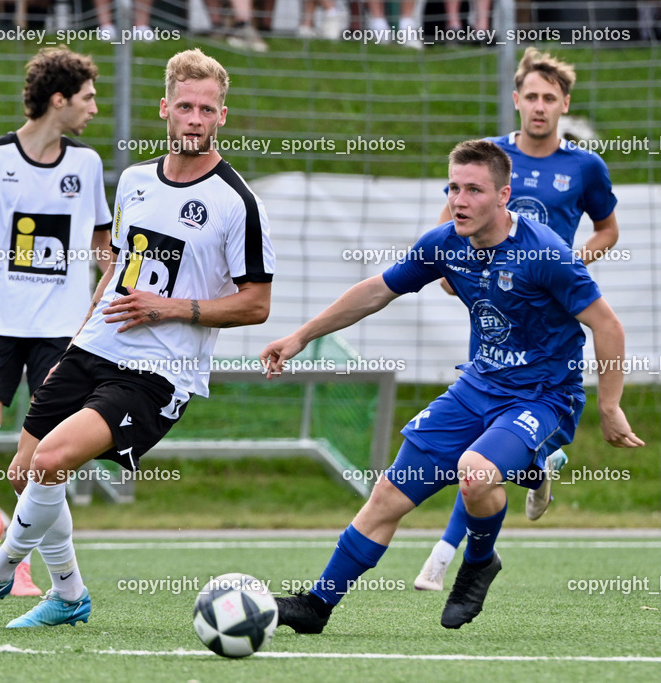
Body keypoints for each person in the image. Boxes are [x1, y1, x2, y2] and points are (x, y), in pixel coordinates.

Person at [0, 47, 275, 627]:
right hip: (94, 346)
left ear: (222, 117)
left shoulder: (237, 203)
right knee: (25, 470)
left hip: (158, 372)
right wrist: (83, 332)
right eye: (185, 106)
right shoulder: (136, 181)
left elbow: (256, 304)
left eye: (207, 109)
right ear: (165, 108)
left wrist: (172, 308)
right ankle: (68, 595)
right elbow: (116, 271)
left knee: (53, 460)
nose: (194, 118)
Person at [262, 139, 642, 634]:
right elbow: (376, 291)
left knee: (475, 471)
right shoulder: (445, 243)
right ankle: (317, 606)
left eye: (474, 190)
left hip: (543, 396)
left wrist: (610, 406)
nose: (459, 200)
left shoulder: (546, 253)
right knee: (387, 498)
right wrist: (298, 337)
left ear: (504, 196)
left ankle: (479, 560)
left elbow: (608, 326)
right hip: (476, 387)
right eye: (454, 188)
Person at [415, 47, 622, 591]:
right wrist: (446, 259)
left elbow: (607, 229)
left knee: (513, 415)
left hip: (549, 304)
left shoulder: (584, 166)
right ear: (515, 100)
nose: (538, 106)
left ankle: (447, 551)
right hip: (495, 300)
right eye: (530, 96)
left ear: (564, 105)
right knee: (488, 414)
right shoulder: (491, 160)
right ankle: (532, 468)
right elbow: (449, 220)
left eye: (549, 98)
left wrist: (574, 263)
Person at [0, 46, 113, 598]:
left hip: (60, 334)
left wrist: (107, 300)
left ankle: (25, 566)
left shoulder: (88, 164)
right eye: (87, 98)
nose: (94, 109)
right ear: (58, 100)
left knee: (42, 462)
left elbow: (107, 248)